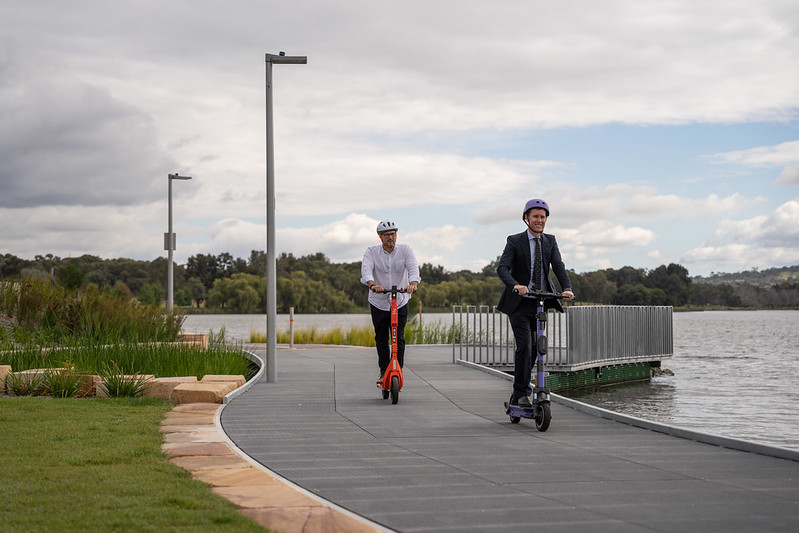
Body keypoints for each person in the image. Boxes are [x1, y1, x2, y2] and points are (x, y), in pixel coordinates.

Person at [497, 199, 574, 407]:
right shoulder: (514, 241)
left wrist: (566, 288)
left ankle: (519, 392)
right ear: (526, 218)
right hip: (519, 303)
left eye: (542, 217)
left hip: (539, 303)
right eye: (535, 217)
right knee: (525, 347)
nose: (539, 220)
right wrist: (516, 285)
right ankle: (521, 393)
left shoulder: (550, 241)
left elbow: (558, 266)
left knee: (536, 348)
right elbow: (502, 269)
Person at [361, 220, 421, 382]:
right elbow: (366, 270)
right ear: (380, 237)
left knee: (398, 336)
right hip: (378, 301)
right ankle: (383, 372)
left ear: (396, 235)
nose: (390, 238)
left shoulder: (405, 250)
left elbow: (413, 267)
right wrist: (372, 284)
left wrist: (413, 283)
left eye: (393, 234)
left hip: (400, 299)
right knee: (381, 337)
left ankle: (397, 370)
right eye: (387, 235)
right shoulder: (372, 252)